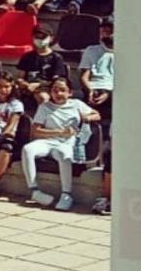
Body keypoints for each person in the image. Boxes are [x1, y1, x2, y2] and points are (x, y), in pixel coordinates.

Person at [23, 78, 101, 211]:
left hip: (67, 143)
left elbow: (97, 115)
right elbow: (36, 131)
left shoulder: (76, 104)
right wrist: (60, 132)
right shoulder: (45, 107)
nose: (58, 93)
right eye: (55, 90)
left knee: (64, 155)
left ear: (70, 92)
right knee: (27, 149)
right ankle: (34, 190)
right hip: (48, 141)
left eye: (62, 90)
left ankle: (66, 194)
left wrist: (87, 117)